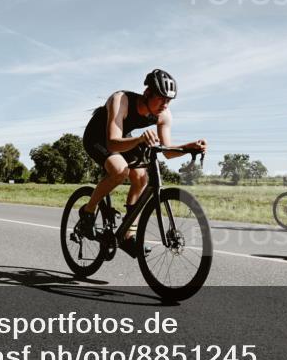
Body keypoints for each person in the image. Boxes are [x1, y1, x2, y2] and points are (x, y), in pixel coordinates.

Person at [79, 69, 207, 258]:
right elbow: (112, 143)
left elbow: (167, 152)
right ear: (147, 93)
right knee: (120, 170)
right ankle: (87, 211)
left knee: (141, 178)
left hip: (124, 137)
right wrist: (139, 140)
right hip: (98, 137)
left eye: (169, 100)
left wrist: (188, 147)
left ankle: (127, 234)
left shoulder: (164, 114)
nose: (165, 105)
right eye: (161, 98)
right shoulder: (121, 100)